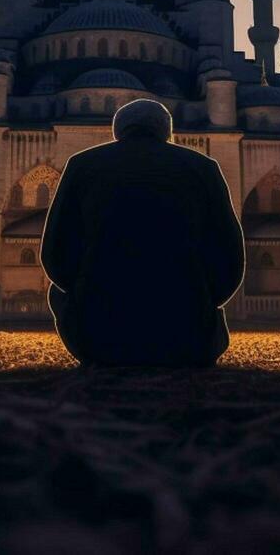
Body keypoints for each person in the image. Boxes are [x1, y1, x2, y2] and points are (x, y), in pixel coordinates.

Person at [41, 98, 245, 366]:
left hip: (100, 339)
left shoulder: (82, 165)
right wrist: (204, 299)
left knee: (57, 292)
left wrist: (84, 287)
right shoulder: (203, 167)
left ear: (118, 132)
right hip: (188, 337)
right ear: (167, 132)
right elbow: (230, 254)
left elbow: (54, 254)